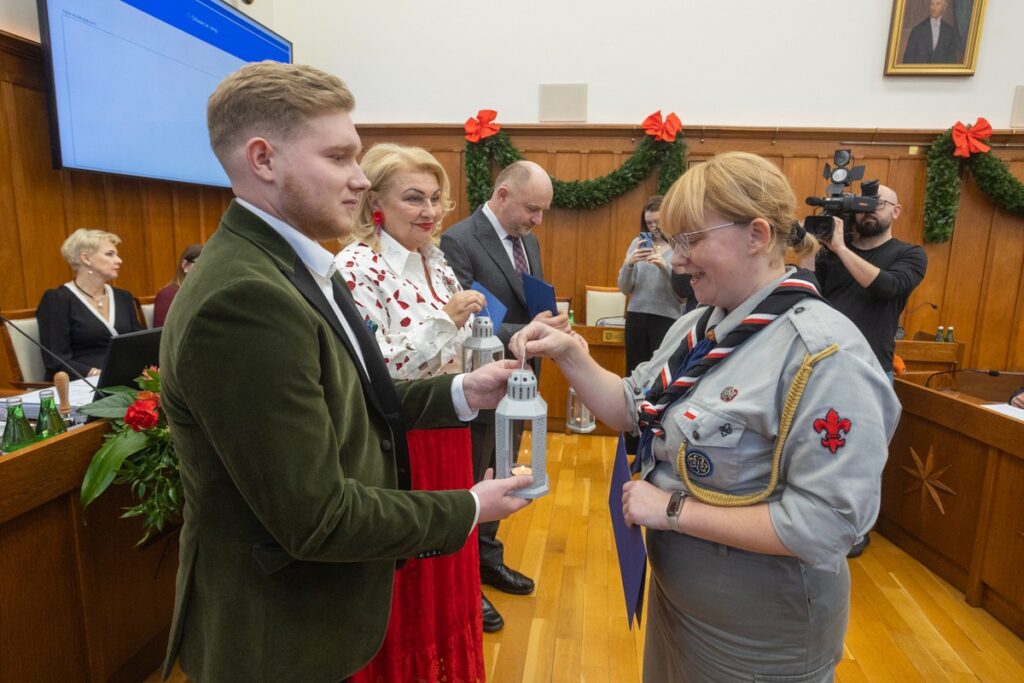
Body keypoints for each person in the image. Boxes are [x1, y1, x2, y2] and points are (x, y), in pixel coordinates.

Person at [159, 61, 533, 683]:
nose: (361, 180)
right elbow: (318, 517)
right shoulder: (244, 298)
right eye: (338, 157)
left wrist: (462, 390)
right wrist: (470, 506)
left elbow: (357, 397)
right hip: (278, 631)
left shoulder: (294, 264)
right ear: (263, 158)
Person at [510, 151, 900, 682]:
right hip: (679, 610)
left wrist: (672, 510)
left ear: (757, 234)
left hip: (757, 642)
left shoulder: (824, 355)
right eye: (673, 242)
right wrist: (571, 354)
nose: (675, 260)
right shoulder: (699, 323)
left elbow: (826, 527)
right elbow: (634, 405)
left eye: (691, 240)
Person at [337, 143, 488, 681]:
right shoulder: (356, 266)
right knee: (408, 571)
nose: (429, 210)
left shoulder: (436, 260)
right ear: (374, 201)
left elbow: (460, 347)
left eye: (437, 198)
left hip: (448, 427)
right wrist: (446, 320)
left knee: (448, 562)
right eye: (413, 198)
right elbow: (369, 370)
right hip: (399, 437)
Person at [440, 160, 568, 629]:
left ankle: (488, 558)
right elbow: (467, 324)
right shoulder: (458, 240)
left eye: (542, 211)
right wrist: (532, 329)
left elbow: (525, 300)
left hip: (520, 379)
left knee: (503, 468)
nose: (538, 221)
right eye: (533, 209)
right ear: (503, 194)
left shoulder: (527, 239)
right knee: (477, 476)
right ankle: (465, 579)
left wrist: (549, 324)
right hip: (479, 381)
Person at [36, 228, 144, 380]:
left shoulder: (123, 297)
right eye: (109, 254)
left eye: (116, 254)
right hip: (81, 383)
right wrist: (96, 374)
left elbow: (139, 344)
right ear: (86, 259)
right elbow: (56, 360)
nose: (119, 260)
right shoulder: (58, 300)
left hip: (124, 380)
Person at [618, 195, 686, 376]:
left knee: (660, 372)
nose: (653, 227)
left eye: (657, 222)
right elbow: (625, 289)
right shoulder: (638, 244)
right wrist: (629, 264)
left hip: (666, 317)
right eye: (649, 223)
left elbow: (682, 294)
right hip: (636, 315)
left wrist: (664, 267)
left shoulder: (677, 246)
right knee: (634, 370)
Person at [152, 244, 202, 327]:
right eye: (201, 264)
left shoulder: (204, 292)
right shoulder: (167, 295)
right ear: (185, 265)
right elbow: (161, 334)